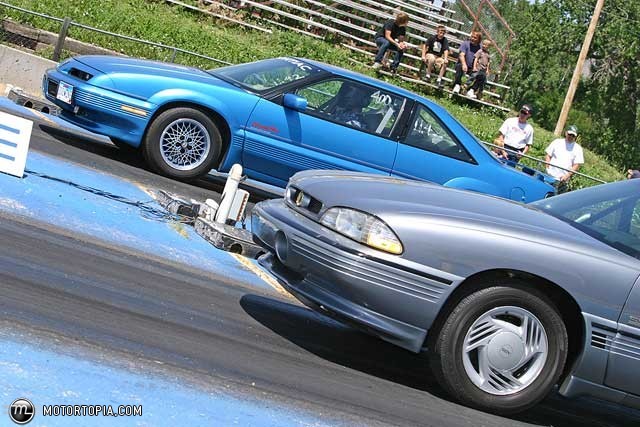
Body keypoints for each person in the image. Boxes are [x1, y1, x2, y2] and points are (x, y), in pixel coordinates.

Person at [545, 125, 584, 190]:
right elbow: (548, 155)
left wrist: (567, 176)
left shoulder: (578, 148)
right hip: (549, 175)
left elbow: (576, 165)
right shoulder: (557, 142)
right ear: (566, 133)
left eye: (573, 135)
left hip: (562, 180)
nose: (571, 136)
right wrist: (547, 167)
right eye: (570, 134)